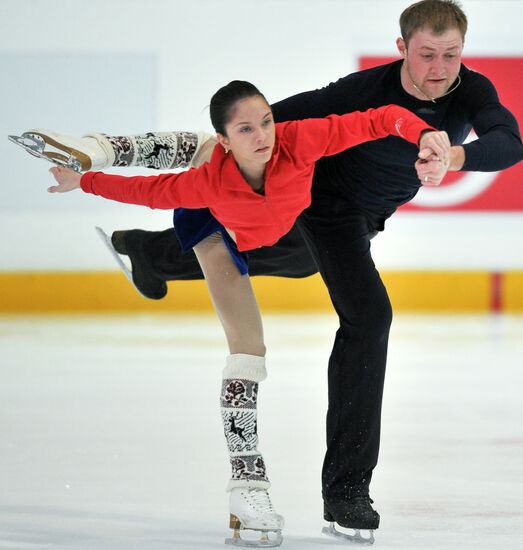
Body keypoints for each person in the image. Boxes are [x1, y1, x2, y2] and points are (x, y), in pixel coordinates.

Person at [10, 0, 523, 543]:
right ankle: (347, 492)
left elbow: (509, 142)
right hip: (323, 205)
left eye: (451, 54)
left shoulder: (470, 90)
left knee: (294, 261)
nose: (440, 67)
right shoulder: (361, 92)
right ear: (401, 49)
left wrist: (456, 157)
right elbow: (275, 119)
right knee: (370, 317)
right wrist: (223, 143)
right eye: (426, 54)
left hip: (361, 218)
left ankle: (152, 255)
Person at [41, 79, 445, 547]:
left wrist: (421, 133)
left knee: (302, 261)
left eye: (267, 121)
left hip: (264, 222)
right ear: (232, 138)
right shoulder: (207, 181)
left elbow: (374, 120)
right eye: (247, 129)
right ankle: (247, 488)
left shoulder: (297, 141)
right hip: (213, 226)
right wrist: (84, 180)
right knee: (249, 352)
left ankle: (148, 208)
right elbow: (149, 193)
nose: (264, 136)